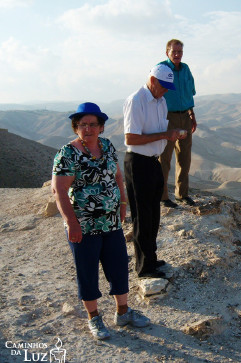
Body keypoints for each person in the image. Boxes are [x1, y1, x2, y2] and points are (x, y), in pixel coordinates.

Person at [52, 102, 150, 340]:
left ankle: (123, 312)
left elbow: (117, 176)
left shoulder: (106, 146)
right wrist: (72, 223)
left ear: (101, 127)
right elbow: (59, 191)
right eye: (83, 124)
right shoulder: (68, 153)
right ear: (76, 127)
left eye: (93, 124)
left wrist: (123, 203)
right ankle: (94, 318)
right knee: (87, 272)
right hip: (83, 226)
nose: (88, 129)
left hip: (111, 223)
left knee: (118, 267)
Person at [123, 64, 186, 279]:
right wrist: (165, 135)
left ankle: (151, 258)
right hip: (137, 163)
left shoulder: (161, 101)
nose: (166, 90)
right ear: (152, 80)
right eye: (163, 86)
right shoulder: (137, 100)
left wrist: (170, 135)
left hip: (153, 162)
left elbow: (160, 132)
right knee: (141, 216)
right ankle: (143, 267)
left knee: (154, 214)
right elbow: (131, 138)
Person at [158, 38, 197, 208]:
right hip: (167, 117)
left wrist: (192, 115)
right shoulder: (161, 68)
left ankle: (182, 194)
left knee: (184, 157)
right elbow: (154, 93)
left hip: (185, 116)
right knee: (164, 158)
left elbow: (190, 94)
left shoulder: (186, 69)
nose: (177, 54)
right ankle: (163, 196)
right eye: (173, 51)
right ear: (167, 52)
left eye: (179, 52)